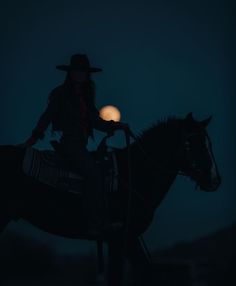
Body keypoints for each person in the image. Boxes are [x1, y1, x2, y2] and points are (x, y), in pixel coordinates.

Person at [22, 54, 129, 234]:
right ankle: (95, 223)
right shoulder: (60, 94)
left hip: (80, 145)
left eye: (83, 72)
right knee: (93, 174)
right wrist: (34, 137)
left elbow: (95, 121)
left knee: (100, 170)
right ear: (70, 74)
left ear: (87, 75)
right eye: (76, 72)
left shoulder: (86, 97)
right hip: (70, 144)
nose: (79, 75)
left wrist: (117, 126)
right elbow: (47, 116)